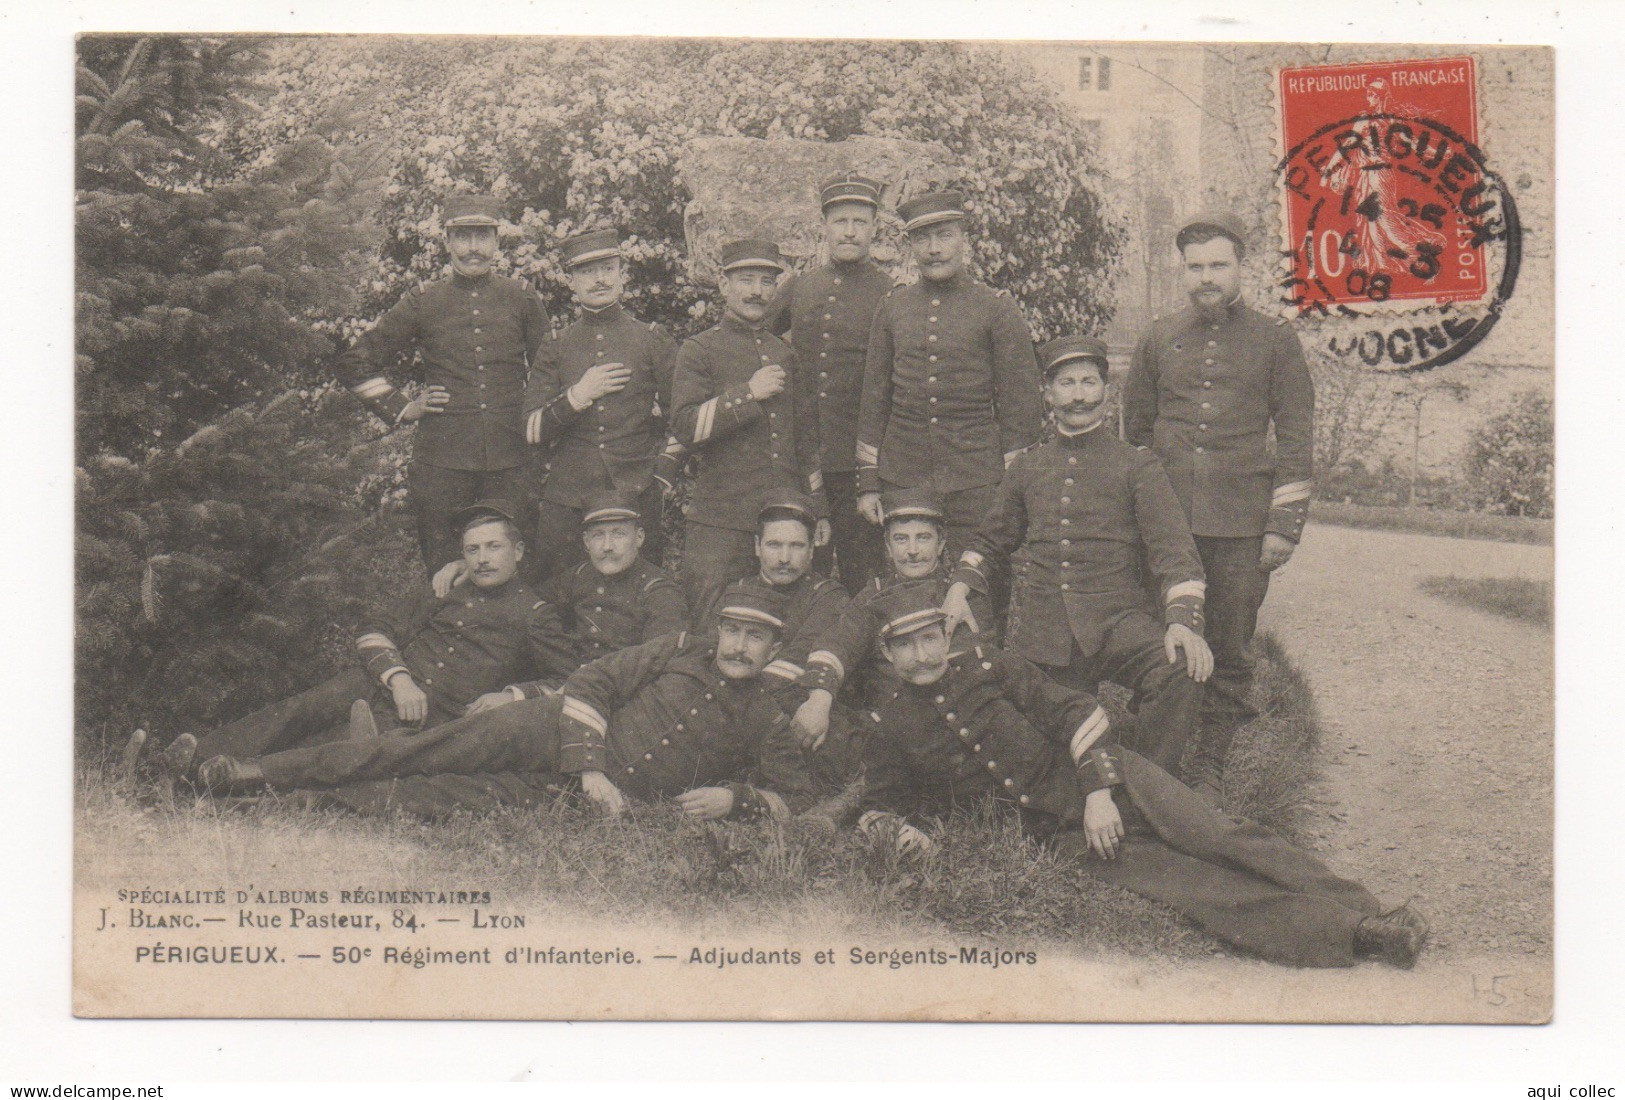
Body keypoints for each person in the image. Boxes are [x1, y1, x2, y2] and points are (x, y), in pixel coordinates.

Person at [856, 582, 1428, 970]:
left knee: (1218, 837)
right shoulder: (889, 726)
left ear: (945, 635)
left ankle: (1365, 905)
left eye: (929, 638)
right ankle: (1357, 936)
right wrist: (901, 832)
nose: (921, 656)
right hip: (1060, 835)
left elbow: (1079, 712)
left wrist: (1097, 791)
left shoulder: (991, 667)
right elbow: (881, 804)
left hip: (1112, 780)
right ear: (886, 654)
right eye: (903, 646)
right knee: (1189, 886)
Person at [193, 584, 813, 824]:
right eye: (732, 630)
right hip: (547, 732)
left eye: (755, 637)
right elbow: (593, 680)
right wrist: (591, 765)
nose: (738, 646)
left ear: (773, 647)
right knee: (419, 750)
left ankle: (275, 804)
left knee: (426, 800)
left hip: (571, 799)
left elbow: (802, 800)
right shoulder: (677, 651)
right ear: (718, 629)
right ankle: (254, 771)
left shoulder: (770, 717)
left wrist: (741, 800)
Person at [942, 336, 1211, 779]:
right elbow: (990, 541)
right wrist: (959, 587)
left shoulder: (1137, 466)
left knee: (1180, 668)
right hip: (1046, 631)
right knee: (1047, 762)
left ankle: (1147, 781)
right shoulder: (1028, 467)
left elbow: (1174, 551)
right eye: (1066, 383)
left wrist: (1182, 620)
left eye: (1090, 382)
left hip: (1117, 620)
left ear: (1108, 392)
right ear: (1048, 394)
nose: (1079, 395)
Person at [159, 501, 577, 779]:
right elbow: (374, 629)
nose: (482, 559)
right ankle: (187, 759)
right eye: (472, 550)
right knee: (303, 707)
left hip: (431, 718)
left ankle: (230, 775)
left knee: (349, 755)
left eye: (493, 547)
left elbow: (569, 680)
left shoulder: (535, 614)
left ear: (518, 551)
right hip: (387, 682)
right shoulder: (446, 588)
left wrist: (512, 696)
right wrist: (398, 679)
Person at [1123, 212, 1315, 797]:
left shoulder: (1275, 340)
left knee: (1229, 641)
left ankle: (1212, 757)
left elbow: (1297, 435)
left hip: (1240, 522)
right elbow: (1136, 433)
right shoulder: (1158, 337)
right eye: (1196, 266)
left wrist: (1282, 525)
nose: (1206, 277)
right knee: (1163, 634)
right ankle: (1157, 749)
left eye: (1218, 265)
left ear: (1241, 268)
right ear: (1184, 271)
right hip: (1169, 521)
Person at [335, 194, 551, 574]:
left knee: (519, 570)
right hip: (442, 464)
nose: (473, 249)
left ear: (497, 241)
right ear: (447, 242)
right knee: (446, 571)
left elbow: (550, 371)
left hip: (512, 461)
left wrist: (535, 424)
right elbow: (355, 362)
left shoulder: (522, 298)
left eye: (482, 237)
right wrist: (403, 406)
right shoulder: (423, 301)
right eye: (463, 237)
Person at [854, 188, 1042, 556]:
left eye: (944, 235)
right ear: (910, 246)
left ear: (964, 240)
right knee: (909, 588)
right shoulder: (894, 307)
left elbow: (1021, 407)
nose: (934, 248)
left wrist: (1013, 486)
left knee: (978, 582)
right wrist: (869, 483)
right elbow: (873, 400)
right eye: (922, 238)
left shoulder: (995, 308)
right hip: (904, 476)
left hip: (977, 479)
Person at [668, 238, 827, 614]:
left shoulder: (785, 354)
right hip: (720, 522)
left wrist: (818, 509)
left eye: (767, 282)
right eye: (746, 280)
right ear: (724, 285)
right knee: (711, 623)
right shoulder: (699, 349)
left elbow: (805, 442)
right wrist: (747, 394)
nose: (757, 292)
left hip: (780, 522)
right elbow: (685, 427)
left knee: (782, 622)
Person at [766, 171, 893, 593]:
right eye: (841, 222)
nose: (850, 232)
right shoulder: (801, 287)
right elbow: (757, 339)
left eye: (860, 222)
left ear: (874, 228)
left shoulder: (891, 293)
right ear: (825, 227)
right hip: (803, 454)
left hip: (860, 462)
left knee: (864, 572)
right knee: (802, 571)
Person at [524, 228, 679, 574]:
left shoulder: (652, 339)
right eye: (586, 272)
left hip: (635, 490)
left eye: (607, 268)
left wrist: (663, 476)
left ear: (622, 275)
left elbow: (682, 418)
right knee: (560, 594)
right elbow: (532, 429)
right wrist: (579, 395)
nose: (598, 280)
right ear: (571, 282)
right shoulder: (556, 345)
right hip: (568, 499)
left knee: (641, 592)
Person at [790, 487, 993, 750]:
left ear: (941, 544)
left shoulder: (961, 593)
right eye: (900, 539)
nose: (912, 551)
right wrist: (819, 698)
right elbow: (839, 642)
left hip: (958, 723)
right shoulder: (874, 593)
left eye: (923, 538)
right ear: (887, 547)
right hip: (890, 722)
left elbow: (977, 673)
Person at [433, 489, 689, 694]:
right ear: (586, 542)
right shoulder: (579, 576)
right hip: (567, 687)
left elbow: (658, 660)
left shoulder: (658, 591)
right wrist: (466, 565)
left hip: (619, 695)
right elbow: (520, 595)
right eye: (598, 536)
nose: (607, 546)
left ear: (640, 537)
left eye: (619, 534)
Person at [694, 492, 851, 707]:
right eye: (774, 545)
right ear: (758, 546)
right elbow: (709, 654)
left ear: (812, 549)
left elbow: (798, 661)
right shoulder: (737, 592)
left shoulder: (827, 597)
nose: (784, 558)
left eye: (796, 546)